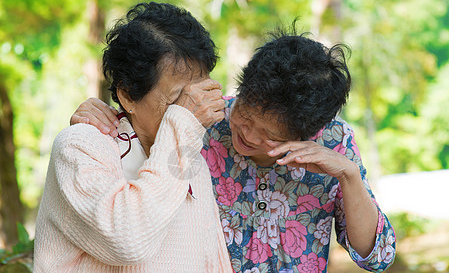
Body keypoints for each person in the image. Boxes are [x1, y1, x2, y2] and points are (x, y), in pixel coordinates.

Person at [72, 29, 396, 271]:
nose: (247, 134)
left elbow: (377, 257)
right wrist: (99, 113)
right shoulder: (203, 120)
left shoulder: (335, 142)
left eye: (269, 135)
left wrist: (349, 176)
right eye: (245, 113)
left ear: (311, 133)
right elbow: (139, 126)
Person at [34, 2, 234, 272]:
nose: (194, 108)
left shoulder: (187, 153)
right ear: (128, 94)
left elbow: (211, 258)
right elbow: (128, 241)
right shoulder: (79, 146)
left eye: (198, 94)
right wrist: (183, 124)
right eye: (179, 99)